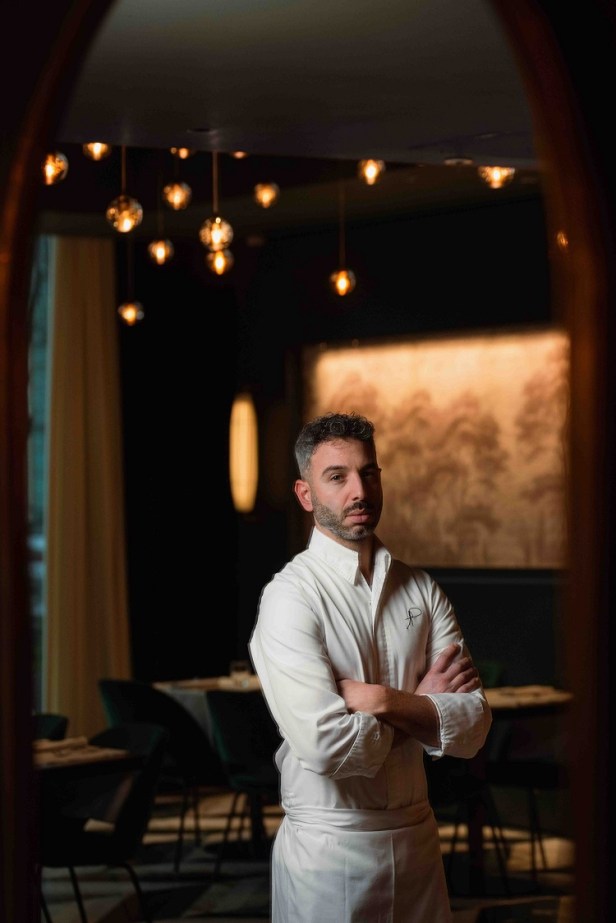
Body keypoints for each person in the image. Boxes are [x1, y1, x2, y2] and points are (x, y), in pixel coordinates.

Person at [249, 411, 492, 923]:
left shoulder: (420, 588)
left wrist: (381, 700)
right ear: (305, 494)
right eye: (337, 477)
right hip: (328, 851)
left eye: (369, 473)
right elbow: (327, 747)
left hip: (418, 841)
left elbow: (473, 726)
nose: (359, 491)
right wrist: (422, 709)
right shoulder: (289, 598)